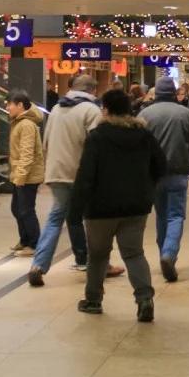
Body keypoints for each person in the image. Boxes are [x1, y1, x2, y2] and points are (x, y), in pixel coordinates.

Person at [71, 89, 165, 320]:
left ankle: (93, 300)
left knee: (98, 255)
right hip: (135, 206)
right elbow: (161, 165)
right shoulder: (144, 135)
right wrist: (146, 188)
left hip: (100, 208)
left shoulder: (97, 137)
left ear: (106, 109)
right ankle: (144, 299)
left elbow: (86, 176)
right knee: (134, 254)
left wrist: (74, 209)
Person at [29, 74, 113, 287]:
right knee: (93, 220)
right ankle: (101, 264)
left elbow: (46, 139)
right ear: (93, 91)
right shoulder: (91, 110)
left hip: (56, 171)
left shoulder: (57, 108)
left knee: (55, 218)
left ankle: (38, 265)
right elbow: (97, 145)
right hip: (81, 173)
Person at [138, 77, 189, 283]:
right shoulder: (185, 114)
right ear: (174, 92)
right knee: (175, 216)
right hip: (178, 171)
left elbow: (138, 144)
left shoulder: (145, 114)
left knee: (161, 215)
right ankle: (169, 254)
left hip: (153, 174)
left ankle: (163, 253)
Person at [6, 90, 44, 258]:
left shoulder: (26, 125)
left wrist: (21, 176)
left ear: (20, 105)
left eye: (10, 104)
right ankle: (25, 239)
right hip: (19, 174)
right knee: (16, 208)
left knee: (26, 210)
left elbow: (27, 154)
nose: (7, 108)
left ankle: (35, 243)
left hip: (27, 176)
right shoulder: (18, 122)